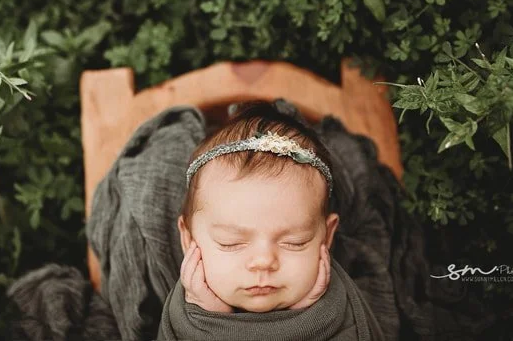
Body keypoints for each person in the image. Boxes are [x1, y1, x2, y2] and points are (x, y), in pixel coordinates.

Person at [157, 101, 384, 341]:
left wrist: (308, 319)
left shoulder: (339, 312)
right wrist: (208, 321)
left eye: (295, 242)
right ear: (189, 238)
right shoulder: (183, 319)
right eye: (230, 242)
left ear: (327, 236)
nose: (264, 262)